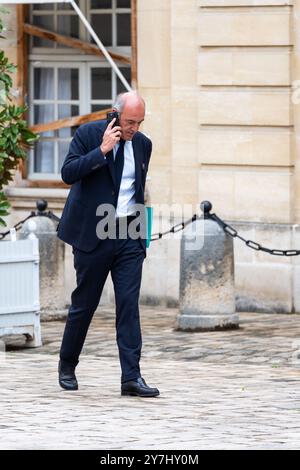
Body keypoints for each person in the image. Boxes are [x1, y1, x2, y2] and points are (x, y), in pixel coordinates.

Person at [56, 91, 159, 398]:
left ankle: (131, 377)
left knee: (128, 306)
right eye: (129, 122)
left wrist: (142, 238)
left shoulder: (143, 145)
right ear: (115, 114)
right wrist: (101, 150)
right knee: (85, 303)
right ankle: (67, 364)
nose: (134, 128)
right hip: (93, 233)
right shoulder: (89, 134)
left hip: (128, 235)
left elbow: (137, 191)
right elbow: (68, 173)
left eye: (139, 122)